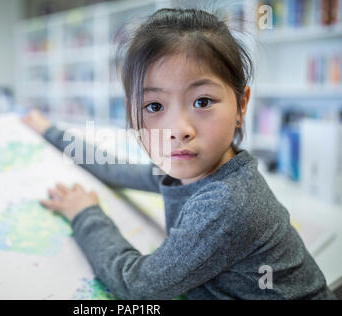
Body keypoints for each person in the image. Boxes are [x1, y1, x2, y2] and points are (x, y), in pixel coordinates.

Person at [22, 8, 336, 300]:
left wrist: (84, 212)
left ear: (242, 105)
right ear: (132, 115)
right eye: (154, 106)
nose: (178, 129)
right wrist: (49, 131)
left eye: (202, 102)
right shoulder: (187, 168)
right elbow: (114, 169)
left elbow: (138, 286)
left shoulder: (225, 203)